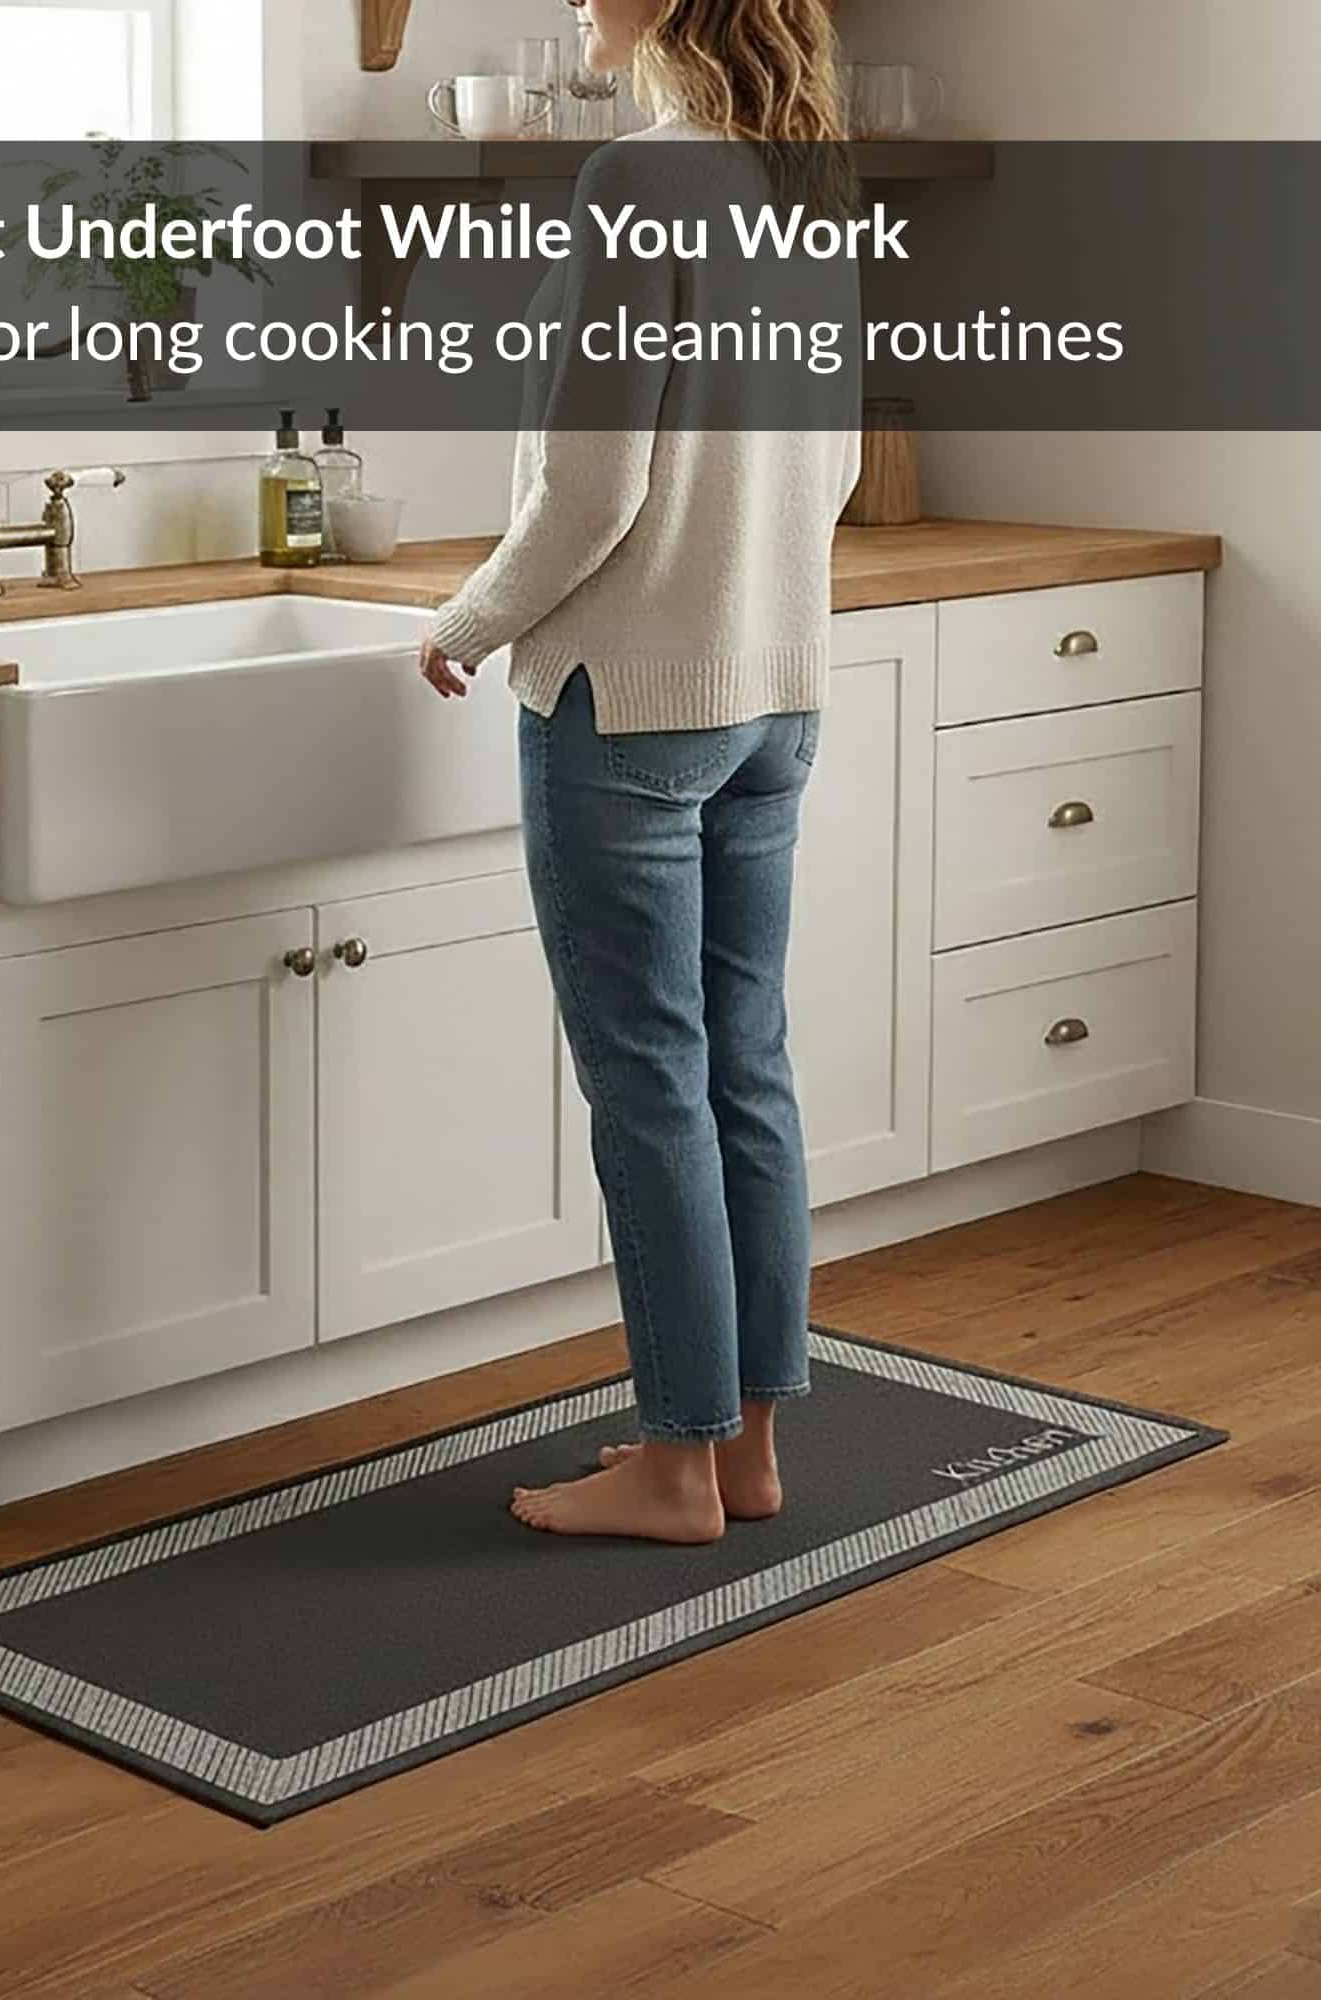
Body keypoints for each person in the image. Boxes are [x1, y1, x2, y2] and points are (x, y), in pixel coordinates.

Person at [419, 0, 863, 1545]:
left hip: (625, 708)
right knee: (746, 1068)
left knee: (651, 1086)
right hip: (771, 699)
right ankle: (740, 1450)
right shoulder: (803, 179)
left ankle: (675, 1468)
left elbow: (590, 484)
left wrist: (469, 621)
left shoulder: (638, 180)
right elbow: (843, 463)